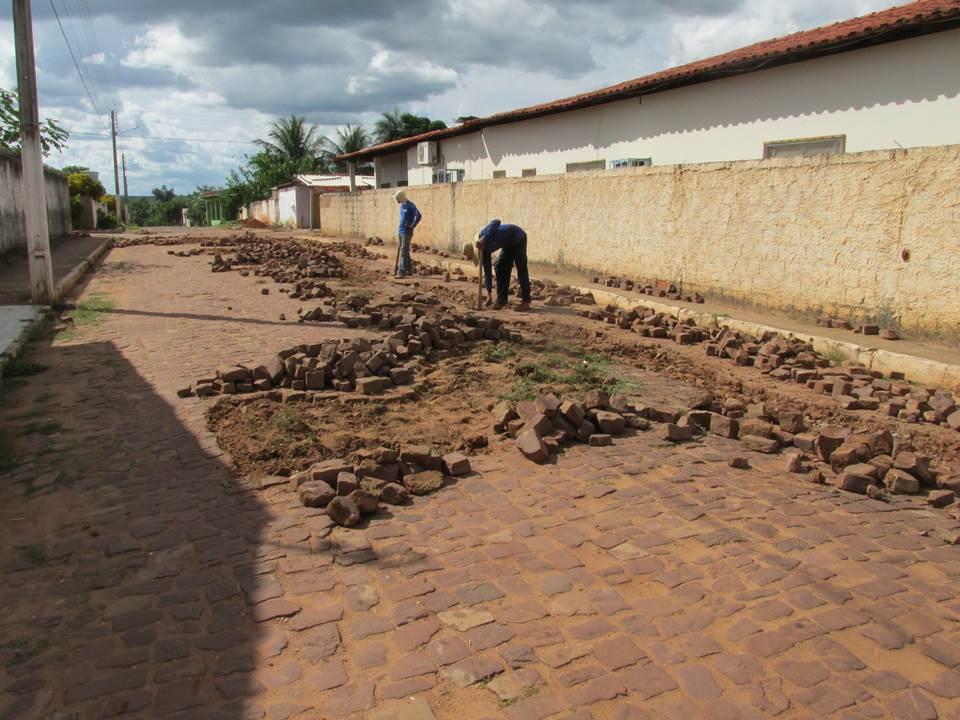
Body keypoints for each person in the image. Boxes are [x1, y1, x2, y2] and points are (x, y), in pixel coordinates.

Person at [476, 218, 531, 310]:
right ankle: (501, 301)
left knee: (521, 268)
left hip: (518, 237)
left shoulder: (483, 233)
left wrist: (484, 238)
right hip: (508, 244)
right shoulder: (483, 253)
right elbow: (488, 271)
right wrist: (489, 295)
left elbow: (497, 221)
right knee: (500, 267)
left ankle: (526, 301)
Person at [394, 190, 421, 278]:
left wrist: (413, 225)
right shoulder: (402, 206)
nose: (396, 200)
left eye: (397, 198)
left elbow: (419, 215)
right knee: (405, 251)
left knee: (403, 251)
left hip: (407, 232)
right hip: (400, 231)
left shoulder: (410, 205)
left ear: (401, 197)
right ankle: (409, 269)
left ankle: (401, 272)